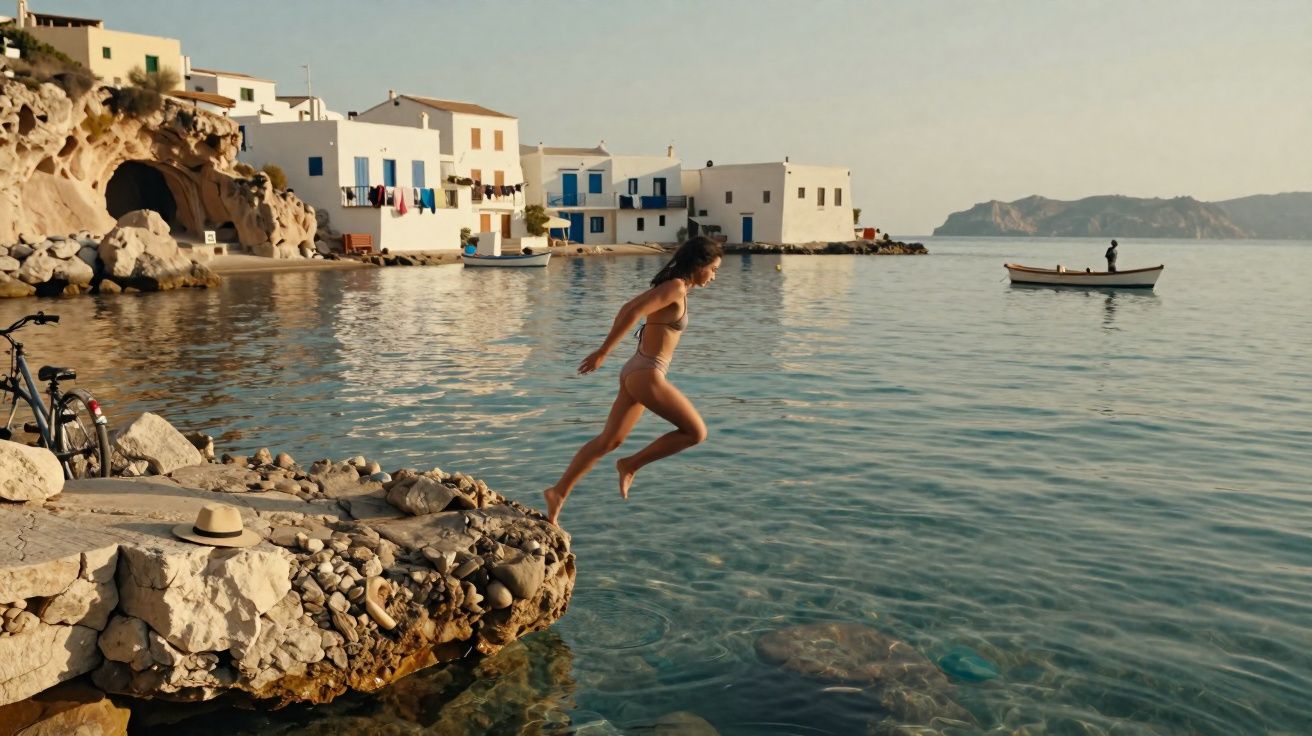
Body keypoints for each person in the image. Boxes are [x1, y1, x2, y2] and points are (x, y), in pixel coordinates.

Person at [542, 237, 724, 526]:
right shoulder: (675, 287)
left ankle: (558, 492)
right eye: (713, 269)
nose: (714, 276)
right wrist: (603, 351)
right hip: (646, 373)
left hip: (637, 372)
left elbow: (633, 309)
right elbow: (631, 310)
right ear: (699, 264)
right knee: (695, 432)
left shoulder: (678, 289)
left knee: (609, 440)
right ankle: (630, 465)